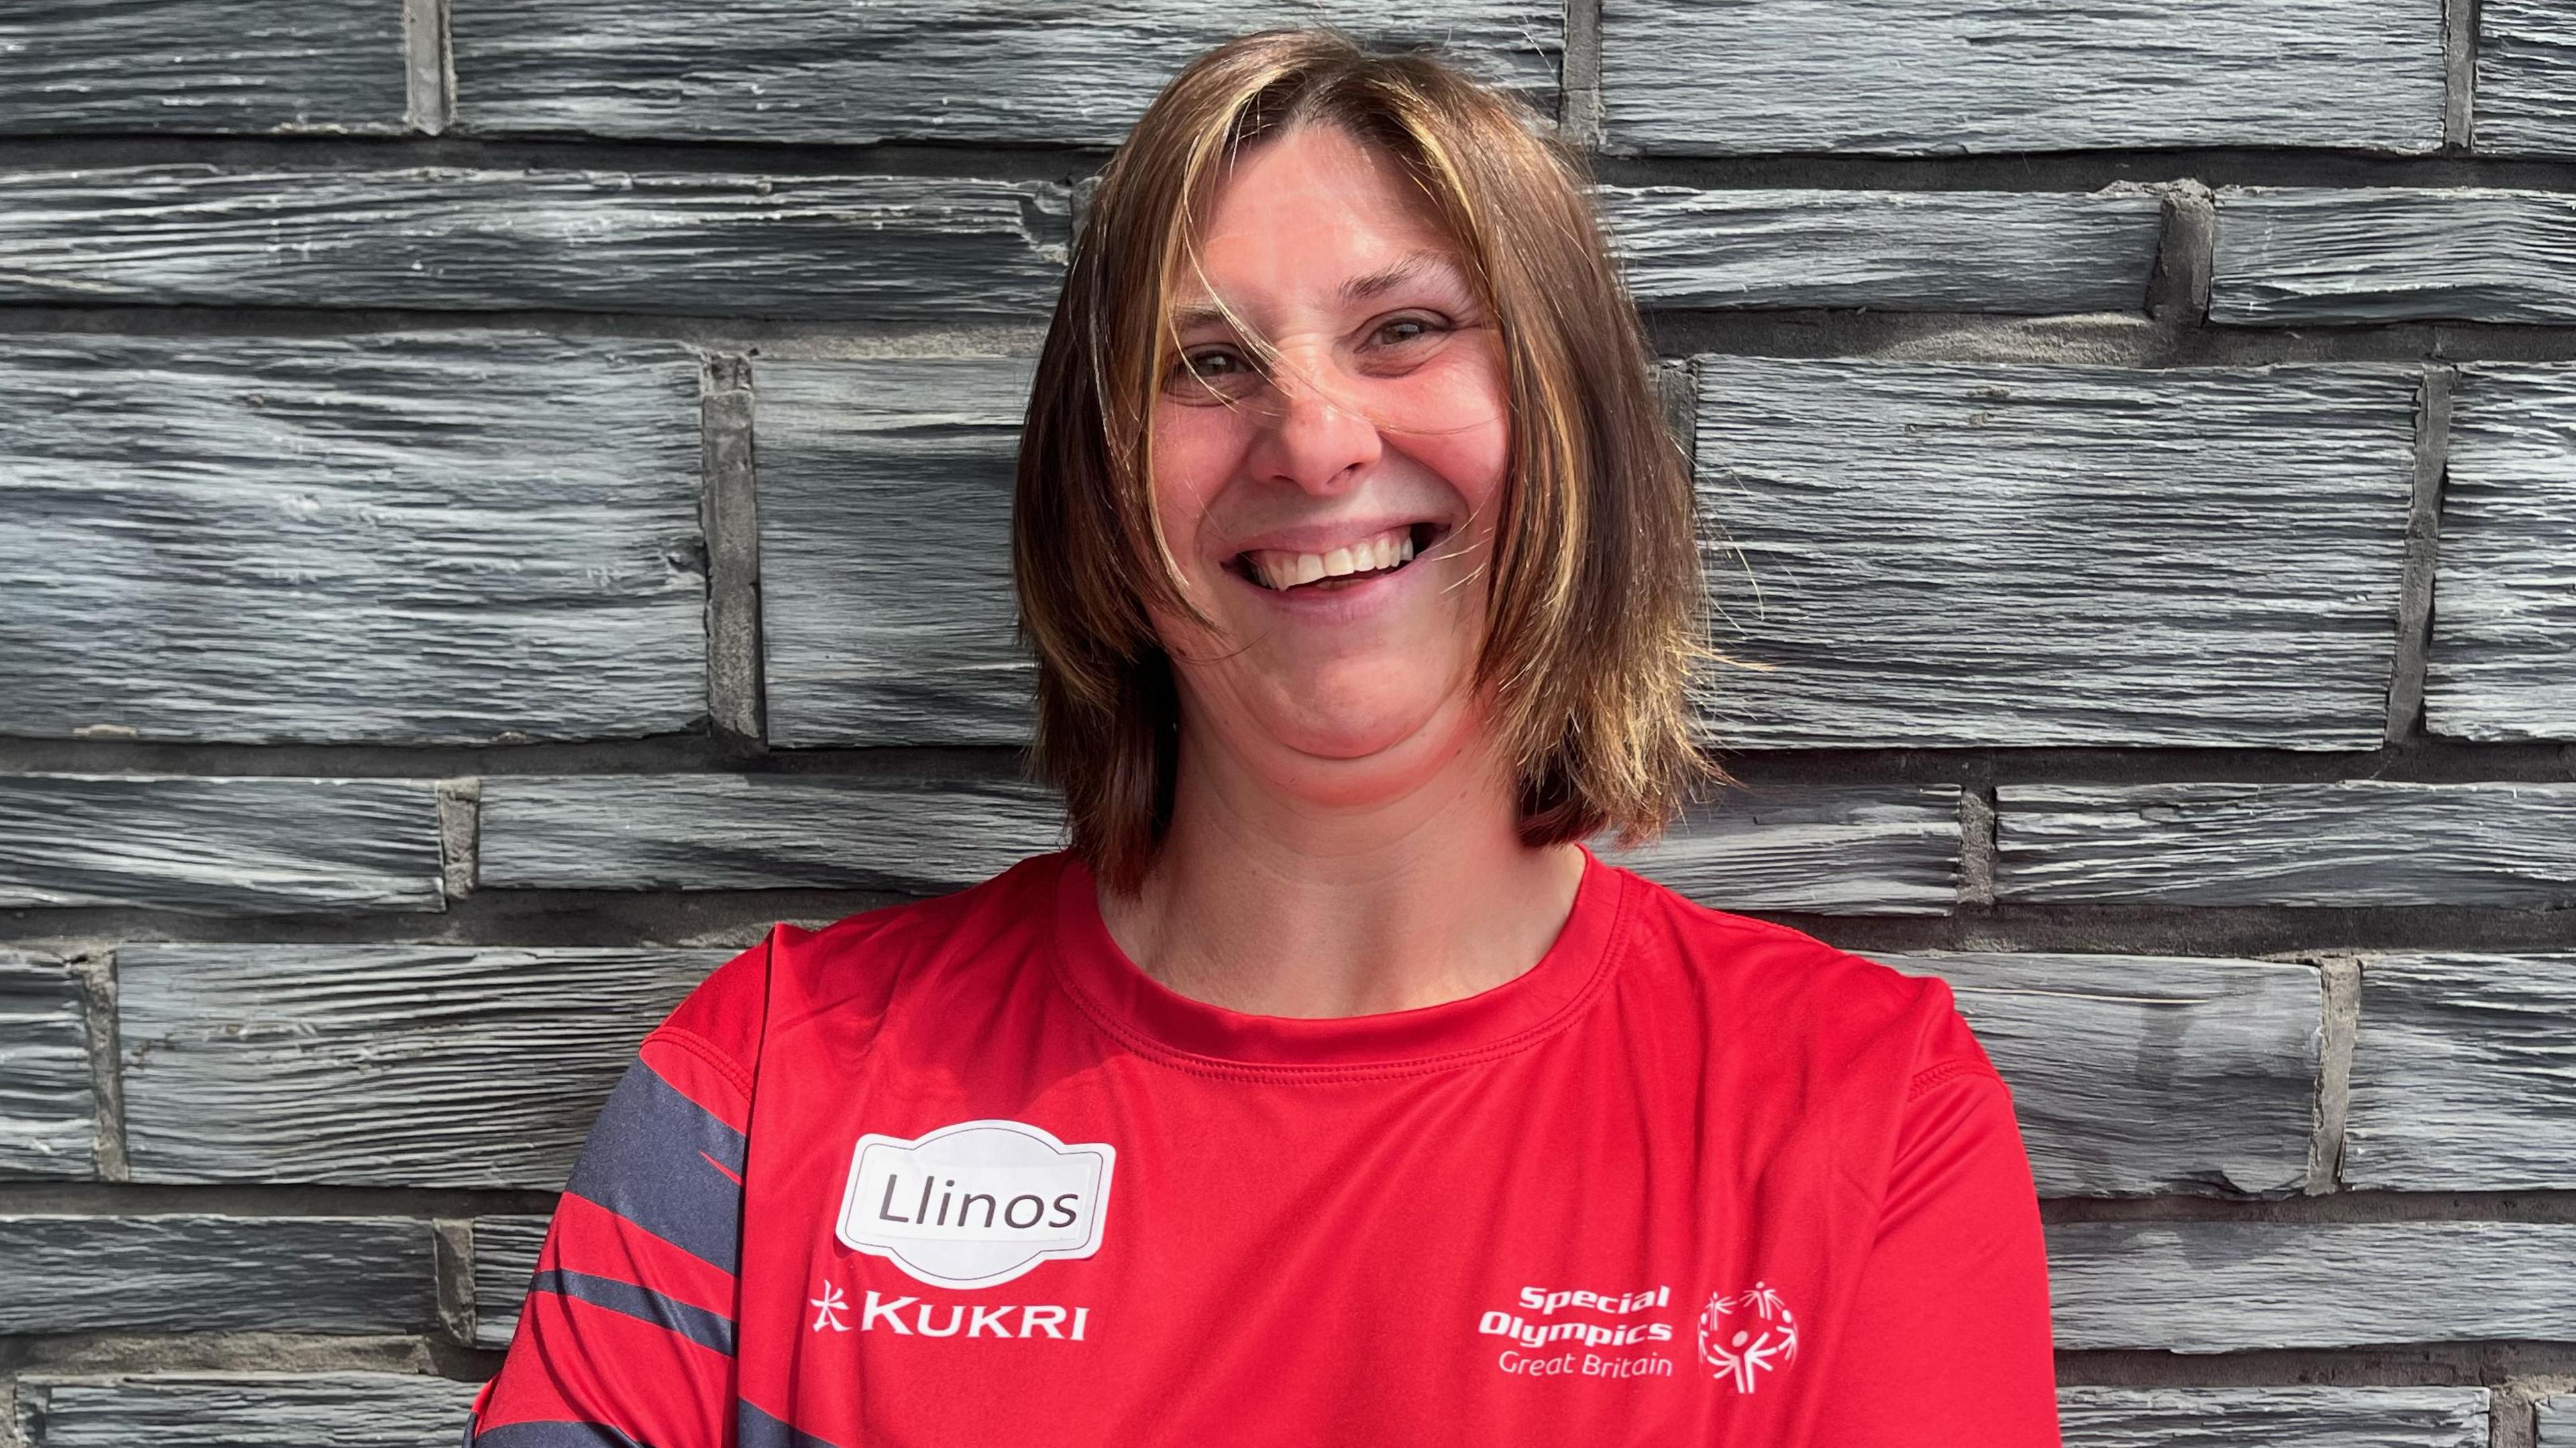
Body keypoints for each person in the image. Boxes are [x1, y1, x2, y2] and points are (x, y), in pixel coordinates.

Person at [463, 27, 2059, 1447]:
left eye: (1406, 330)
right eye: (1207, 364)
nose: (1312, 440)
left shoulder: (1860, 1113)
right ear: (1096, 487)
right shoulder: (766, 1086)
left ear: (1570, 417)